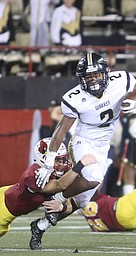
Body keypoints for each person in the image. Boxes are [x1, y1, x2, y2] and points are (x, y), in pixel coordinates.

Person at [29, 52, 136, 250]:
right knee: (94, 177)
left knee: (82, 201)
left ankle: (40, 226)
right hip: (83, 141)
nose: (93, 80)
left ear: (106, 73)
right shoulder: (75, 97)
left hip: (103, 145)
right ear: (81, 79)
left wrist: (133, 98)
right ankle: (58, 198)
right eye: (89, 77)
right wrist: (49, 161)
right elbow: (61, 130)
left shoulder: (121, 80)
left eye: (96, 75)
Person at [0, 137, 96, 247]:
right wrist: (80, 165)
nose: (62, 164)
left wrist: (61, 206)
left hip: (6, 193)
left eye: (62, 159)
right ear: (44, 158)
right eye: (58, 160)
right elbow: (60, 186)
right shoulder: (34, 176)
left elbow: (64, 190)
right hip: (5, 211)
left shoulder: (44, 171)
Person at [43, 189, 136, 232]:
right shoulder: (86, 198)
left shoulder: (81, 207)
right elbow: (92, 187)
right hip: (120, 207)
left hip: (123, 224)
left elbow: (69, 209)